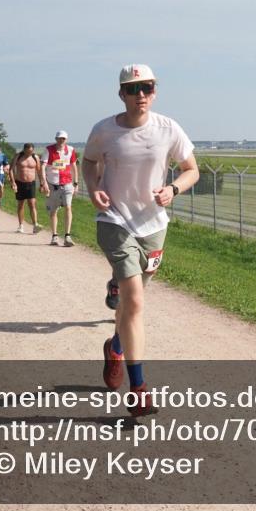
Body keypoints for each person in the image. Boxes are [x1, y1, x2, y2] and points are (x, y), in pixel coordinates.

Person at [82, 64, 199, 415]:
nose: (141, 94)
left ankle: (115, 347)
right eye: (133, 89)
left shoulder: (168, 128)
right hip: (114, 220)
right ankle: (140, 390)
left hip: (153, 225)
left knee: (132, 304)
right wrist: (93, 189)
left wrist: (174, 188)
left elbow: (191, 168)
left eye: (147, 87)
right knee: (133, 300)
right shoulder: (104, 130)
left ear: (155, 91)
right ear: (121, 93)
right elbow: (88, 163)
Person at [41, 130, 79, 247]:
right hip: (53, 184)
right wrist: (44, 183)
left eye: (63, 139)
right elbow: (42, 167)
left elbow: (73, 166)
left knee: (68, 207)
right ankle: (55, 235)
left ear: (66, 139)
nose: (61, 141)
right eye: (59, 138)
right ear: (56, 139)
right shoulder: (49, 150)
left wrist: (76, 183)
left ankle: (67, 235)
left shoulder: (71, 150)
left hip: (67, 183)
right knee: (54, 211)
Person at [8, 143, 44, 234]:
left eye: (31, 151)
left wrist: (42, 184)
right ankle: (21, 226)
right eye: (27, 151)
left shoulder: (35, 157)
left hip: (31, 183)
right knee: (21, 204)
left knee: (32, 203)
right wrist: (13, 182)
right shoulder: (18, 156)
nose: (29, 153)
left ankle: (35, 224)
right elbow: (11, 169)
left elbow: (39, 171)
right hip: (20, 183)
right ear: (24, 150)